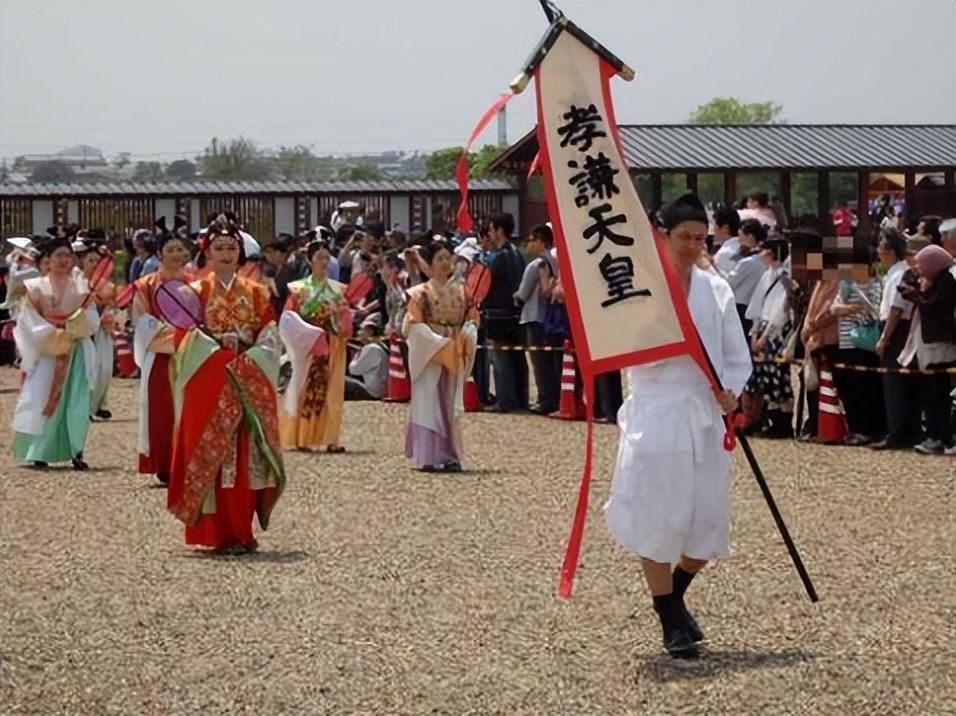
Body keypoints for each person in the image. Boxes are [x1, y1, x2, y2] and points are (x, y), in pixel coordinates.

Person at [603, 193, 751, 659]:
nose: (693, 245)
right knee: (658, 518)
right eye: (684, 237)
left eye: (700, 238)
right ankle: (668, 616)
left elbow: (734, 353)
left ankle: (675, 596)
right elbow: (623, 348)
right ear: (662, 236)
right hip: (656, 410)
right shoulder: (639, 288)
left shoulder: (716, 289)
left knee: (707, 524)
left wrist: (730, 389)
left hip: (703, 413)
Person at [167, 216, 284, 552]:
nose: (226, 253)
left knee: (247, 457)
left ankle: (242, 532)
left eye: (232, 247)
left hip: (245, 378)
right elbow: (183, 338)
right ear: (207, 252)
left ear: (240, 252)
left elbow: (270, 336)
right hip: (211, 380)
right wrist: (216, 349)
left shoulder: (258, 293)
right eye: (218, 247)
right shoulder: (194, 291)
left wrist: (249, 354)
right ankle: (215, 533)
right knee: (212, 455)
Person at [11, 235, 100, 470]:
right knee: (42, 397)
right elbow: (28, 320)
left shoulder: (81, 287)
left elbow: (92, 318)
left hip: (75, 349)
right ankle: (39, 450)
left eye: (67, 255)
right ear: (47, 260)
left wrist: (72, 329)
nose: (63, 260)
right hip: (48, 350)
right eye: (58, 255)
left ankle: (76, 449)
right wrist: (53, 333)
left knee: (76, 399)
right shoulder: (35, 287)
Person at [403, 238, 478, 472]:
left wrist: (470, 329)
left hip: (453, 348)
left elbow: (473, 315)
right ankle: (428, 453)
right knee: (428, 399)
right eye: (439, 259)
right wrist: (434, 341)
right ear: (430, 263)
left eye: (448, 258)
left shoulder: (462, 291)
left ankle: (450, 453)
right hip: (430, 349)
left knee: (448, 400)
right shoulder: (420, 294)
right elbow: (413, 323)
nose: (445, 263)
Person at [131, 230, 193, 485]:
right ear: (159, 254)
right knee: (161, 410)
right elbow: (142, 321)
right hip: (160, 355)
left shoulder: (195, 284)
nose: (176, 255)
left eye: (180, 249)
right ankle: (163, 463)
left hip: (191, 352)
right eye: (170, 250)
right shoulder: (146, 286)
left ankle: (190, 460)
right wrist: (171, 334)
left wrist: (189, 335)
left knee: (190, 408)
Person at [278, 239, 352, 453]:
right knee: (305, 387)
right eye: (319, 257)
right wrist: (307, 331)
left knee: (332, 390)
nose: (323, 262)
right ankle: (303, 435)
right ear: (309, 260)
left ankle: (330, 438)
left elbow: (346, 317)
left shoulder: (337, 290)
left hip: (332, 342)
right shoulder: (298, 289)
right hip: (308, 344)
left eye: (327, 258)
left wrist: (337, 323)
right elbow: (289, 317)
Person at [898, 244, 956, 455]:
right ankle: (935, 434)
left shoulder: (946, 282)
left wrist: (915, 297)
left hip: (940, 344)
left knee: (937, 393)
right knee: (932, 393)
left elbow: (932, 305)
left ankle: (940, 436)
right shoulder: (934, 281)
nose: (919, 270)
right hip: (929, 341)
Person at [871, 228, 918, 450]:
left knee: (895, 384)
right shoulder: (894, 274)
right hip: (896, 328)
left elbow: (896, 310)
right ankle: (902, 430)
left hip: (897, 330)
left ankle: (899, 432)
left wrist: (884, 338)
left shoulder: (901, 275)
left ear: (890, 251)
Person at [829, 262, 886, 445]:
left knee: (866, 388)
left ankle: (869, 429)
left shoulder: (875, 284)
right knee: (848, 388)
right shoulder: (846, 284)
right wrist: (849, 309)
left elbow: (874, 312)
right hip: (846, 341)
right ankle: (854, 428)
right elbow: (834, 308)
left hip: (865, 342)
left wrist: (847, 310)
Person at [743, 238, 794, 438]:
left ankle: (783, 423)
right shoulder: (767, 276)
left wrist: (765, 336)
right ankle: (768, 419)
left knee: (778, 378)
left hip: (775, 334)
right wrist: (754, 333)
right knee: (762, 378)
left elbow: (780, 310)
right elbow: (757, 306)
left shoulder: (785, 278)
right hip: (762, 328)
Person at [482, 213, 528, 413]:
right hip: (516, 312)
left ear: (500, 231)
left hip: (498, 314)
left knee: (502, 360)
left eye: (492, 230)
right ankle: (520, 398)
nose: (490, 235)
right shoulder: (518, 253)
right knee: (518, 358)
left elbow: (486, 284)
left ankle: (506, 399)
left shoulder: (499, 257)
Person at [515, 224, 561, 415]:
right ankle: (554, 398)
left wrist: (515, 297)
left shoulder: (536, 264)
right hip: (550, 318)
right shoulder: (555, 260)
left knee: (540, 363)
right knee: (551, 362)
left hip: (534, 316)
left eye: (532, 240)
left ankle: (545, 399)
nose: (528, 244)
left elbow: (523, 293)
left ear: (541, 241)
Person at [74, 233, 116, 420]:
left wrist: (108, 314)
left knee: (105, 369)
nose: (94, 264)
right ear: (82, 261)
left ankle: (100, 404)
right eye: (90, 260)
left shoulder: (106, 285)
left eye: (97, 261)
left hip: (103, 330)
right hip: (85, 330)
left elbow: (112, 304)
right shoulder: (77, 282)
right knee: (90, 369)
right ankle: (87, 407)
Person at [724, 218, 768, 335]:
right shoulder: (762, 259)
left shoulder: (747, 262)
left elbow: (729, 283)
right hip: (758, 307)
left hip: (741, 307)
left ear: (750, 237)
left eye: (741, 236)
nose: (739, 240)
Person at [346, 313, 388, 400]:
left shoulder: (372, 349)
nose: (359, 332)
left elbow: (354, 370)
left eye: (362, 329)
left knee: (341, 381)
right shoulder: (381, 346)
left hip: (372, 391)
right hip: (379, 389)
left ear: (370, 331)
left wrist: (356, 355)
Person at [712, 205, 742, 274]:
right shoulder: (745, 247)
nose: (713, 230)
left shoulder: (723, 254)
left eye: (714, 225)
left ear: (725, 228)